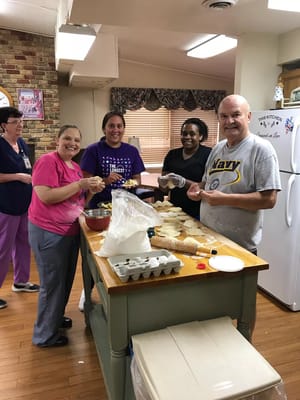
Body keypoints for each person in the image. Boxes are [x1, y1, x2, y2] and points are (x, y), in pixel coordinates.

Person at [28, 125, 105, 347]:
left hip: (69, 231)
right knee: (52, 284)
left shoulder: (74, 167)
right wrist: (80, 184)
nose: (72, 143)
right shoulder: (48, 161)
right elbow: (46, 196)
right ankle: (44, 336)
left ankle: (55, 319)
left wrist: (91, 190)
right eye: (67, 139)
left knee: (64, 281)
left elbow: (78, 202)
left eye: (76, 140)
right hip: (48, 231)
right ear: (57, 140)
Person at [187, 94, 281, 254]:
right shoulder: (218, 148)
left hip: (239, 247)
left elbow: (269, 200)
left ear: (249, 116)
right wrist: (197, 189)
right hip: (208, 240)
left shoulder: (261, 149)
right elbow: (206, 182)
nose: (229, 121)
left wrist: (224, 199)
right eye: (224, 116)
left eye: (236, 115)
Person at [0, 106, 39, 310]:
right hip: (6, 206)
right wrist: (16, 177)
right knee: (2, 249)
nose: (20, 125)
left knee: (24, 244)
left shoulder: (22, 143)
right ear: (4, 125)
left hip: (25, 204)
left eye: (21, 121)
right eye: (16, 122)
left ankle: (21, 281)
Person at [80, 111, 145, 208]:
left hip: (127, 205)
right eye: (111, 126)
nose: (116, 130)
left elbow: (137, 179)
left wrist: (133, 183)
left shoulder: (132, 151)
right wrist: (106, 180)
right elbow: (85, 183)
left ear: (123, 129)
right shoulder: (92, 150)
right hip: (100, 206)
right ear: (104, 129)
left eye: (119, 126)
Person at [158, 118, 212, 218]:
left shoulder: (209, 154)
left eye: (192, 134)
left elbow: (209, 187)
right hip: (175, 211)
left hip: (199, 212)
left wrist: (183, 182)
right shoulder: (172, 155)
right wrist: (162, 183)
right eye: (184, 134)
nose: (187, 137)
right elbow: (164, 190)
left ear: (200, 136)